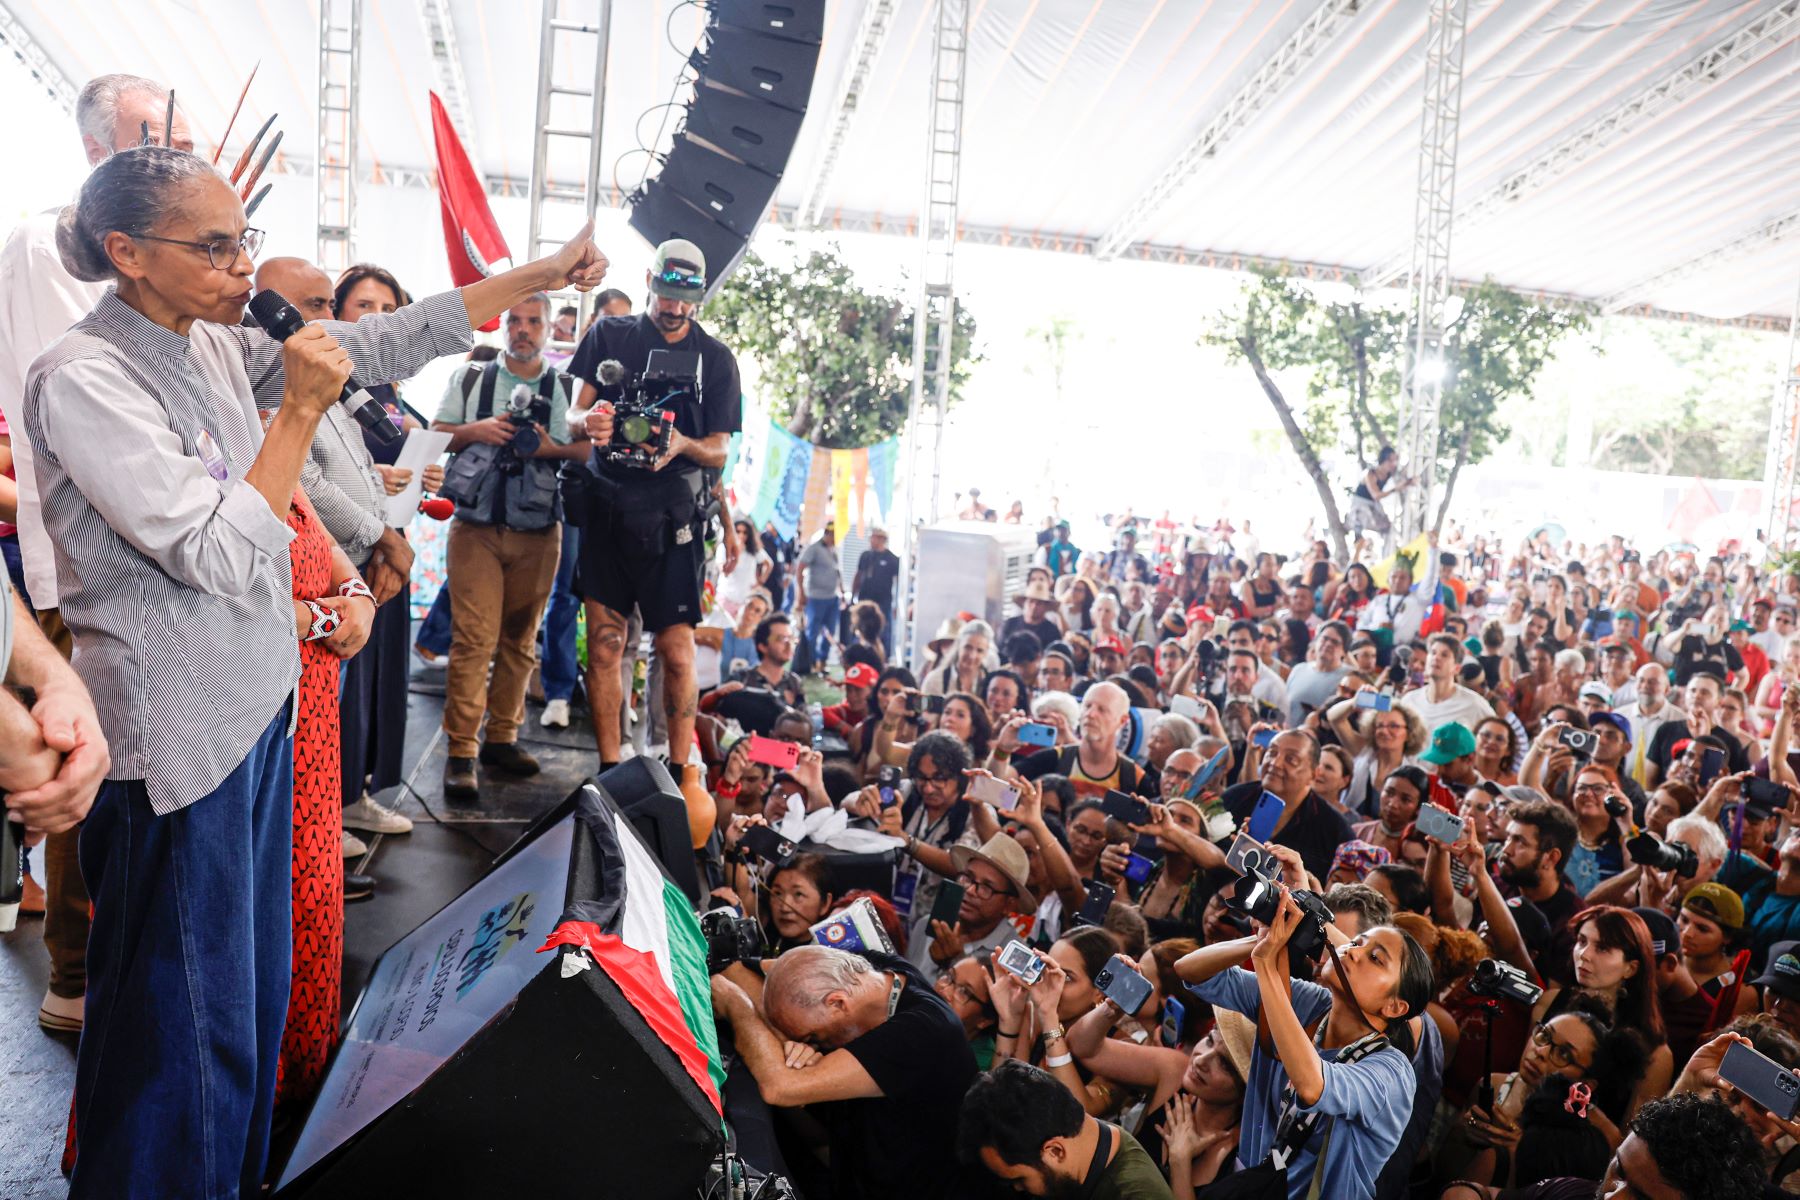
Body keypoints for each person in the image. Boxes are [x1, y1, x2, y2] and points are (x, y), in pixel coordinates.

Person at [27, 144, 606, 1195]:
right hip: (176, 750)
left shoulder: (205, 340)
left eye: (242, 236)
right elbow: (209, 547)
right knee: (182, 1034)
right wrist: (296, 413)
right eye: (214, 247)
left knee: (238, 1018)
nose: (242, 265)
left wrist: (530, 278)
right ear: (128, 253)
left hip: (255, 721)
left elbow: (381, 340)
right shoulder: (85, 377)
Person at [0, 72, 187, 1036]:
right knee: (79, 750)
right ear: (98, 149)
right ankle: (71, 973)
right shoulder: (44, 245)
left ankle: (103, 955)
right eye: (157, 141)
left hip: (145, 549)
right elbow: (67, 401)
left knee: (121, 754)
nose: (177, 160)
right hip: (77, 556)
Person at [567, 238, 742, 782]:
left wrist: (681, 445)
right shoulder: (609, 333)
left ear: (700, 296)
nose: (672, 308)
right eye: (665, 294)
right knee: (604, 644)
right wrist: (589, 422)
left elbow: (719, 448)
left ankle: (681, 771)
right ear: (650, 280)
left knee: (679, 650)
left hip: (674, 520)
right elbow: (572, 416)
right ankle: (610, 766)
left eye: (683, 299)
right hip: (608, 509)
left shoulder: (716, 359)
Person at [1177, 881, 1431, 1199]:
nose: (1353, 952)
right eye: (1357, 943)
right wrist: (1263, 938)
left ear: (1394, 1006)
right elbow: (1190, 971)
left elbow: (1313, 1085)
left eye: (1376, 959)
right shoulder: (1311, 1002)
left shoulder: (1392, 1071)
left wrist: (1269, 965)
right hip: (1251, 1183)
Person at [431, 293, 583, 799]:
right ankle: (462, 752)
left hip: (539, 530)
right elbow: (436, 435)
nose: (523, 330)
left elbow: (583, 447)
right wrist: (477, 431)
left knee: (520, 640)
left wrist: (544, 445)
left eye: (533, 321)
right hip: (474, 527)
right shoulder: (472, 379)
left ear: (547, 329)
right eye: (514, 321)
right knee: (473, 640)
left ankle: (502, 737)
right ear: (504, 327)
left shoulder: (562, 386)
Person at [709, 944, 978, 1200]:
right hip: (850, 1166)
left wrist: (739, 1008)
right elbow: (738, 971)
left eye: (812, 1036)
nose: (808, 1046)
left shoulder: (923, 1033)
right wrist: (786, 1043)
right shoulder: (870, 971)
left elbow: (780, 1087)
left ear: (837, 1003)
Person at [539, 287, 634, 728]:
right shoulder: (564, 377)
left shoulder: (631, 377)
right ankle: (557, 689)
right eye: (612, 320)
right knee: (565, 593)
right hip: (577, 499)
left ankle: (619, 699)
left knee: (621, 607)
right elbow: (563, 439)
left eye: (627, 322)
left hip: (623, 505)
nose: (620, 331)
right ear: (593, 323)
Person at [960, 1059, 1175, 1199]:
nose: (1017, 1189)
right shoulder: (1086, 1136)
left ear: (1055, 1151)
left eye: (1019, 1179)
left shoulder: (1137, 1194)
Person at [907, 831, 1036, 971]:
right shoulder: (927, 926)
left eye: (986, 887)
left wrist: (955, 960)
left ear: (1009, 904)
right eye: (967, 878)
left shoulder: (1018, 960)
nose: (970, 890)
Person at [1401, 634, 1496, 731]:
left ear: (1457, 668)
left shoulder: (1474, 704)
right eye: (1433, 653)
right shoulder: (1409, 700)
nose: (1436, 658)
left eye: (1444, 655)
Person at [797, 522, 843, 673]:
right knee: (813, 631)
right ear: (827, 534)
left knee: (829, 631)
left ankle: (822, 662)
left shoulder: (833, 551)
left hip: (832, 597)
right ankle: (810, 662)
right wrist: (801, 593)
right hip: (815, 597)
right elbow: (800, 568)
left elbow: (837, 573)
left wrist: (841, 591)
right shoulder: (814, 549)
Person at [1349, 445, 1411, 553]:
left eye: (1395, 460)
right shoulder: (1370, 474)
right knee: (1359, 531)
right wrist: (1395, 489)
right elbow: (1376, 495)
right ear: (1383, 460)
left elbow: (1403, 475)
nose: (1393, 464)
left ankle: (1387, 556)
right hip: (1361, 505)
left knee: (1389, 529)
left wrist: (1408, 482)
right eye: (1390, 461)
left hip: (1374, 505)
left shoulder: (1389, 473)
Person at [851, 526, 899, 654]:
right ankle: (859, 654)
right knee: (860, 627)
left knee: (883, 631)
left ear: (882, 539)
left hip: (883, 602)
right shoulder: (865, 556)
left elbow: (898, 583)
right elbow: (858, 575)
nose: (872, 540)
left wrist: (897, 605)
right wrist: (853, 595)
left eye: (875, 537)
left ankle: (883, 657)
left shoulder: (892, 559)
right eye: (871, 537)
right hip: (864, 600)